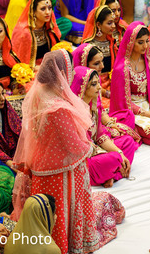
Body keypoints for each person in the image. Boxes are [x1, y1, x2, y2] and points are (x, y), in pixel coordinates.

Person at [11, 49, 124, 253]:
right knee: (60, 211)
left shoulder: (38, 92)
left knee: (44, 212)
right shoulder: (58, 106)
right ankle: (66, 244)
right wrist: (89, 148)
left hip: (41, 165)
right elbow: (73, 144)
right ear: (62, 71)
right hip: (62, 170)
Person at [71, 67, 135, 187]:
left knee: (128, 142)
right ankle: (112, 173)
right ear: (82, 87)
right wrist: (112, 155)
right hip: (85, 159)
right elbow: (81, 147)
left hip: (97, 150)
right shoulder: (73, 113)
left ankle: (113, 176)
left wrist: (119, 152)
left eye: (98, 83)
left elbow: (100, 136)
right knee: (113, 158)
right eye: (94, 84)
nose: (99, 88)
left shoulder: (93, 108)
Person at [11, 0, 61, 69]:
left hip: (48, 67)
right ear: (33, 11)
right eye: (43, 9)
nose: (48, 12)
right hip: (31, 72)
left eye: (49, 8)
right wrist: (39, 68)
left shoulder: (49, 29)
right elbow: (20, 63)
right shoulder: (24, 33)